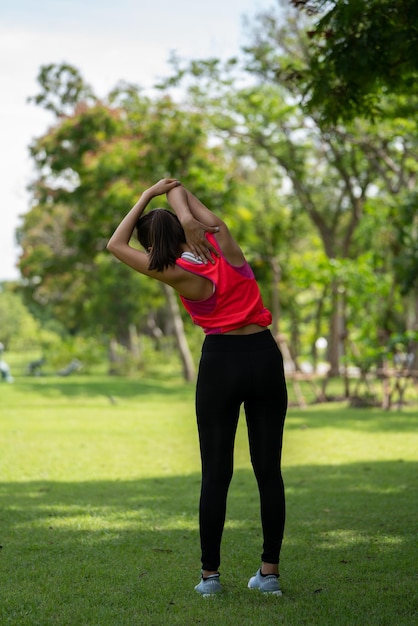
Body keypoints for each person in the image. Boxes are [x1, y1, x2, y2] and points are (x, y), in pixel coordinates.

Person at [107, 178, 287, 596]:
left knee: (216, 474)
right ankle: (270, 574)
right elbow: (180, 187)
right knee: (268, 471)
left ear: (153, 246)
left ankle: (210, 578)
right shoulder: (225, 244)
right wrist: (185, 213)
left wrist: (142, 197)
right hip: (263, 356)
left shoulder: (173, 272)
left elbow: (115, 245)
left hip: (221, 363)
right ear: (184, 229)